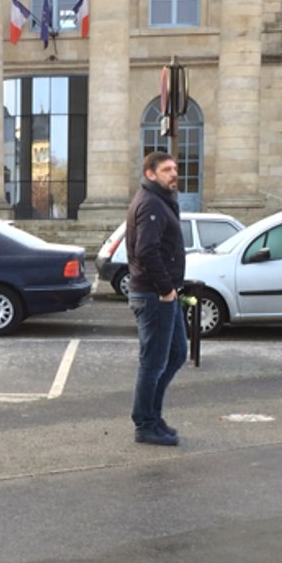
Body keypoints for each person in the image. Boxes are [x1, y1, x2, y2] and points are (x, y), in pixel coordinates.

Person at [126, 151, 187, 447]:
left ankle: (152, 414)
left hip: (162, 294)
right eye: (166, 169)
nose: (174, 173)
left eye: (175, 168)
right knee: (153, 363)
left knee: (177, 354)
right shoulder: (150, 204)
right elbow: (146, 251)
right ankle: (145, 424)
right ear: (151, 174)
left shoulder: (162, 201)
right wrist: (166, 289)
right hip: (154, 296)